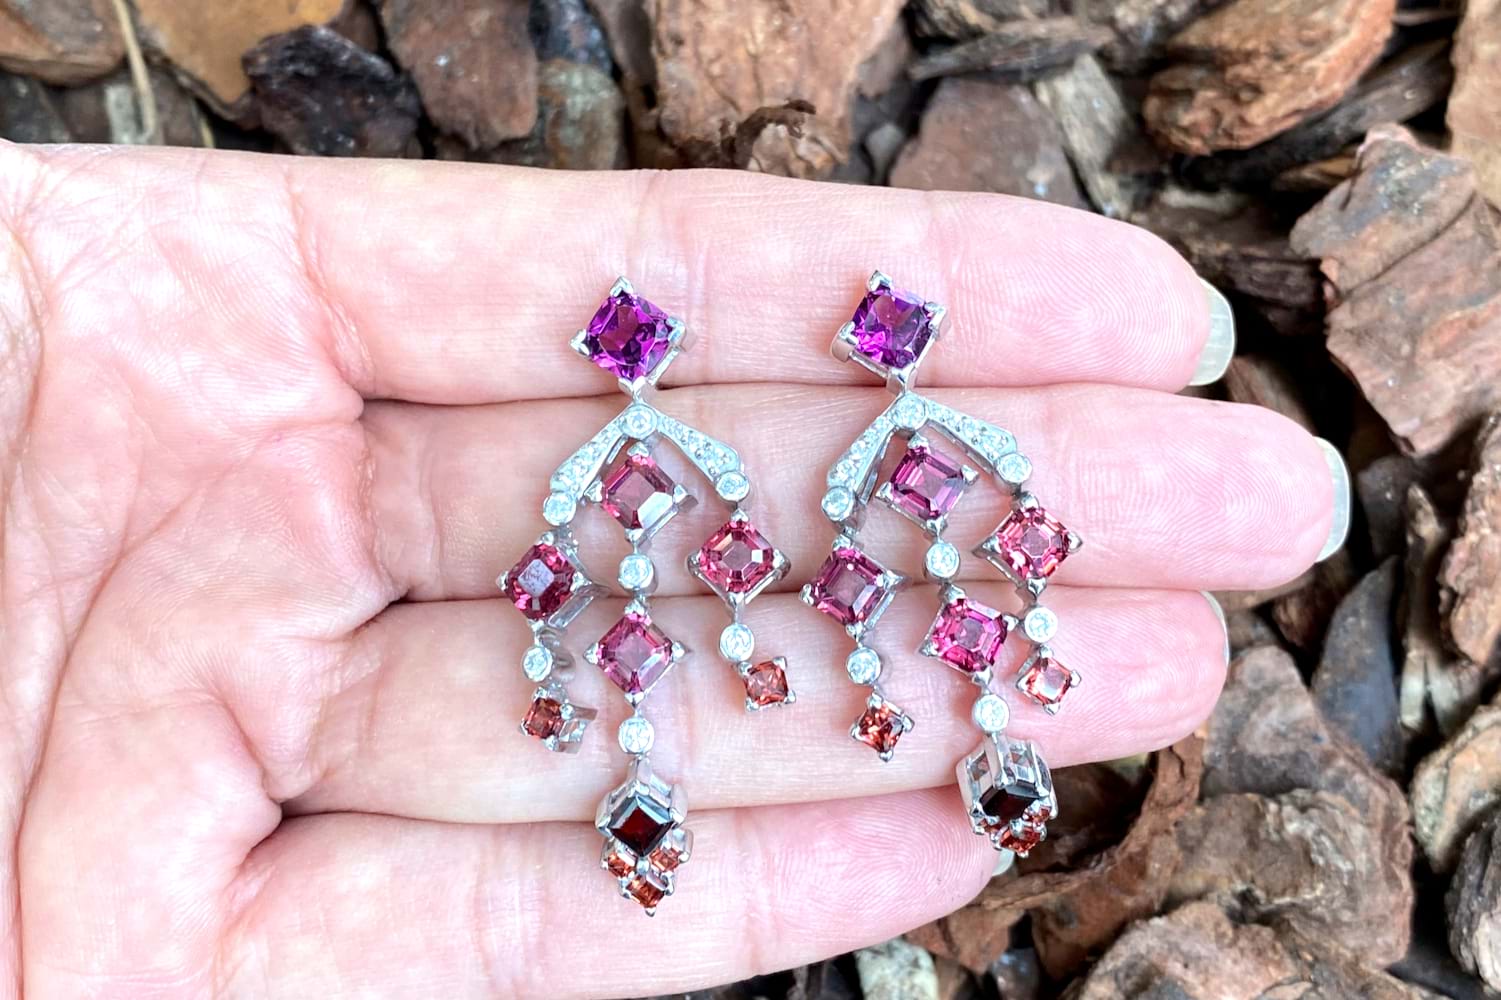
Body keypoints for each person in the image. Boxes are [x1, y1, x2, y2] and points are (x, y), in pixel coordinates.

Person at [0, 142, 1344, 998]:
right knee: (664, 646)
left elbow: (776, 524)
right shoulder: (656, 467)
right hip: (684, 526)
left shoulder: (837, 458)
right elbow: (732, 529)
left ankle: (923, 723)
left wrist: (781, 559)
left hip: (789, 509)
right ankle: (726, 762)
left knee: (852, 621)